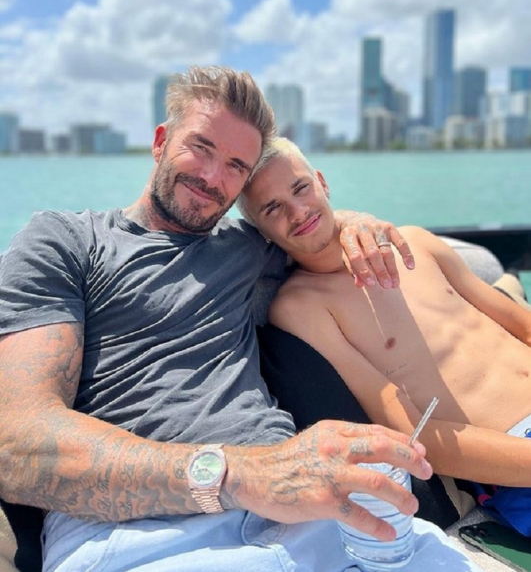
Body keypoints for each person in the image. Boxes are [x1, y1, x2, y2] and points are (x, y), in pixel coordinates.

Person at [0, 67, 482, 572]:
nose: (213, 178)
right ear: (161, 142)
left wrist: (354, 223)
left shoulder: (248, 247)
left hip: (302, 506)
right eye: (201, 147)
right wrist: (240, 475)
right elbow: (17, 445)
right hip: (140, 530)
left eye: (236, 166)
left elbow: (310, 227)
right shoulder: (67, 241)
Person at [238, 136, 531, 537]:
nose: (298, 210)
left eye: (301, 188)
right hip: (516, 455)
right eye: (273, 208)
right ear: (261, 231)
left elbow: (520, 324)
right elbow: (415, 435)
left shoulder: (416, 242)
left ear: (322, 182)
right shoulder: (302, 308)